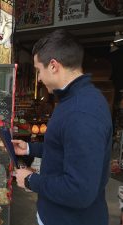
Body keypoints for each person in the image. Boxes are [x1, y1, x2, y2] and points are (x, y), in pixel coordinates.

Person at [12, 29, 112, 225]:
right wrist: (30, 148)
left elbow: (79, 191)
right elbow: (65, 147)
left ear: (53, 66)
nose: (38, 78)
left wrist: (31, 181)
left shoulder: (81, 112)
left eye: (38, 70)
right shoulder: (73, 99)